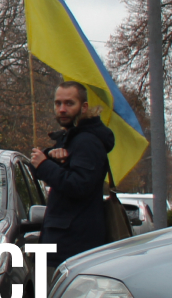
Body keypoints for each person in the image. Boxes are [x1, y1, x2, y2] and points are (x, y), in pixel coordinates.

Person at [31, 81, 117, 263]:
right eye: (58, 103)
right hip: (67, 245)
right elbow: (37, 168)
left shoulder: (86, 141)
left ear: (84, 107)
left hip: (74, 249)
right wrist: (49, 157)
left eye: (69, 103)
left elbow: (79, 185)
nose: (62, 109)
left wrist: (45, 165)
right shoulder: (72, 137)